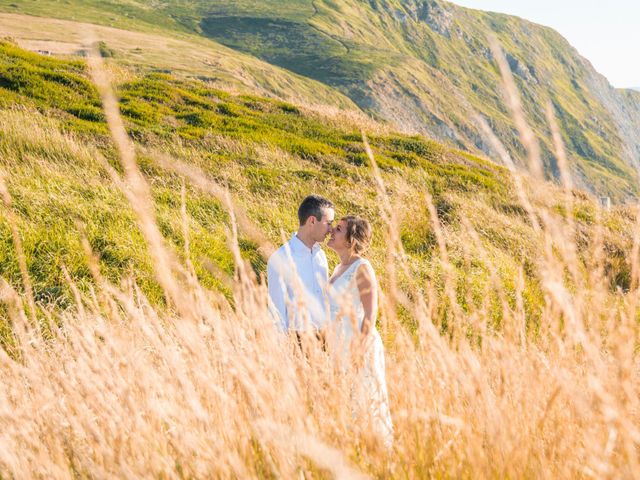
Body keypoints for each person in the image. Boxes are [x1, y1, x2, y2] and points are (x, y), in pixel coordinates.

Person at [326, 215, 393, 448]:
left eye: (338, 229)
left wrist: (360, 349)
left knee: (364, 400)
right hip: (339, 345)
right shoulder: (337, 267)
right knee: (346, 401)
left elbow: (371, 312)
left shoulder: (362, 267)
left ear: (351, 239)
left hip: (358, 345)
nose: (331, 232)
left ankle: (375, 450)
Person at [267, 194, 335, 334]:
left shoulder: (321, 256)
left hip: (325, 339)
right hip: (297, 342)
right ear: (312, 221)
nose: (331, 230)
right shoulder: (281, 258)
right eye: (328, 223)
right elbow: (276, 313)